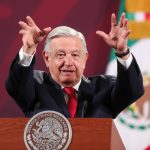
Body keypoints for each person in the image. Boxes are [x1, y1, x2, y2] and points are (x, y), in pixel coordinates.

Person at [5, 13, 144, 118]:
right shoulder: (34, 85)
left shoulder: (104, 87)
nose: (69, 62)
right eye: (60, 55)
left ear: (85, 58)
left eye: (75, 55)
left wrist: (122, 52)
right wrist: (28, 49)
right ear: (47, 58)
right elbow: (16, 85)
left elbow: (132, 90)